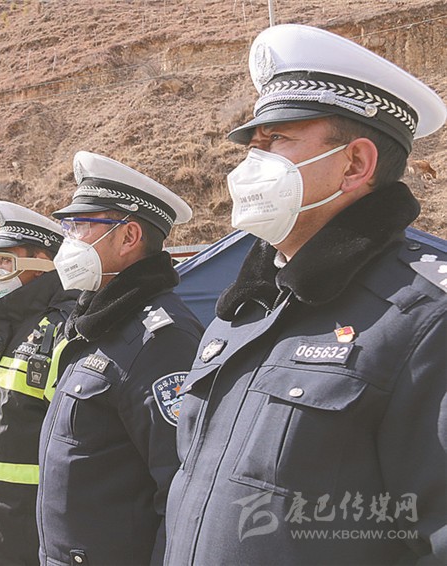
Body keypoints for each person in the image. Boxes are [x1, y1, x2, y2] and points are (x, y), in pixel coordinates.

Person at [165, 24, 447, 565]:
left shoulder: (425, 318)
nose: (251, 165)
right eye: (253, 146)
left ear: (355, 164)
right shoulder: (240, 312)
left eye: (277, 140)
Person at [36, 151, 204, 565]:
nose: (69, 240)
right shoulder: (96, 324)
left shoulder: (161, 339)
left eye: (80, 226)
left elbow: (181, 491)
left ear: (129, 237)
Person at [0, 201, 79, 565]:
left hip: (26, 536)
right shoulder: (7, 331)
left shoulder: (63, 331)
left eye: (5, 261)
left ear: (43, 264)